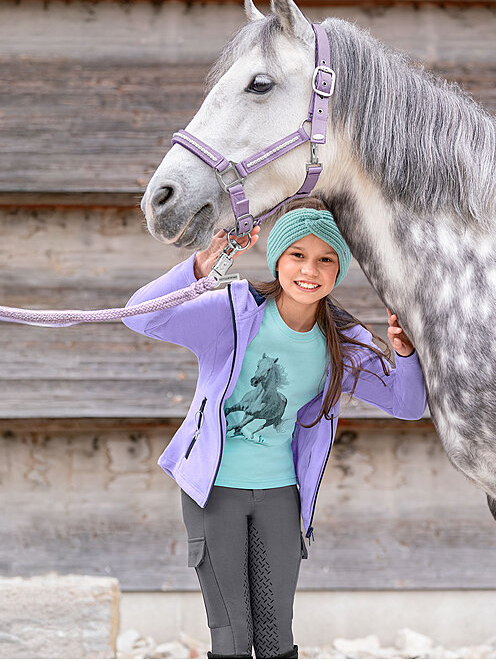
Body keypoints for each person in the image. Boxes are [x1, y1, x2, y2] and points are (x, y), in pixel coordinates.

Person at [122, 197, 427, 660]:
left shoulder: (342, 341)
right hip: (214, 492)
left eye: (326, 259)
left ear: (338, 269)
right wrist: (198, 270)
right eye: (297, 256)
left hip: (281, 496)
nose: (311, 269)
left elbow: (407, 404)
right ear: (278, 260)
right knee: (232, 634)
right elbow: (140, 314)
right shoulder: (234, 312)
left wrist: (404, 353)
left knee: (276, 636)